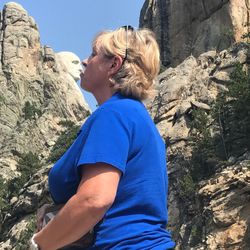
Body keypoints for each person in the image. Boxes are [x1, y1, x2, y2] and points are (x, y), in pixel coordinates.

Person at [30, 26, 175, 249]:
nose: (85, 61)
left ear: (113, 64)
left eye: (94, 54)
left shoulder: (113, 114)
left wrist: (40, 243)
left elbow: (94, 200)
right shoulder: (134, 116)